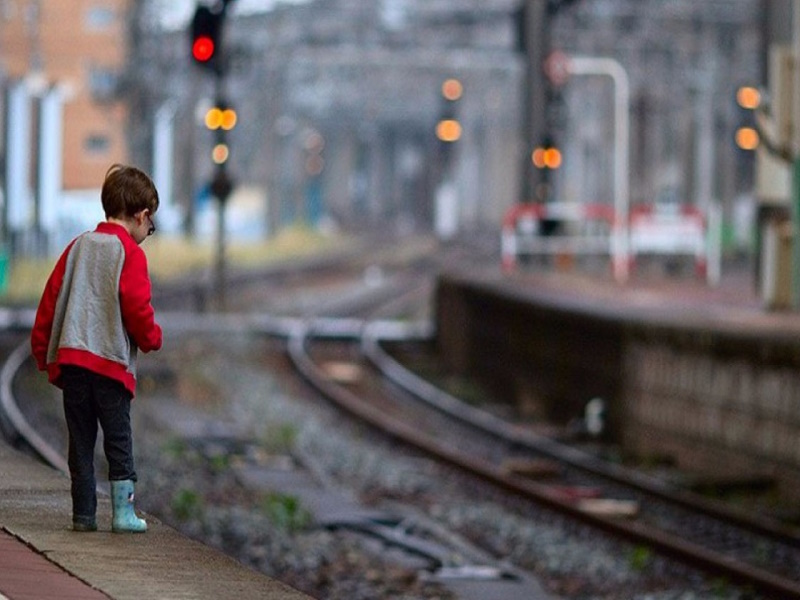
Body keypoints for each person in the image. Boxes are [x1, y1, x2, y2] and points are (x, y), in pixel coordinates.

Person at [31, 163, 162, 533]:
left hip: (73, 363)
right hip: (109, 366)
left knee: (81, 442)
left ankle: (83, 515)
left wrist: (42, 349)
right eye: (150, 227)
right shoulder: (130, 254)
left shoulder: (78, 247)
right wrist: (152, 337)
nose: (147, 233)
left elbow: (51, 300)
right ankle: (122, 514)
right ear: (142, 216)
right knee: (118, 440)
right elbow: (136, 306)